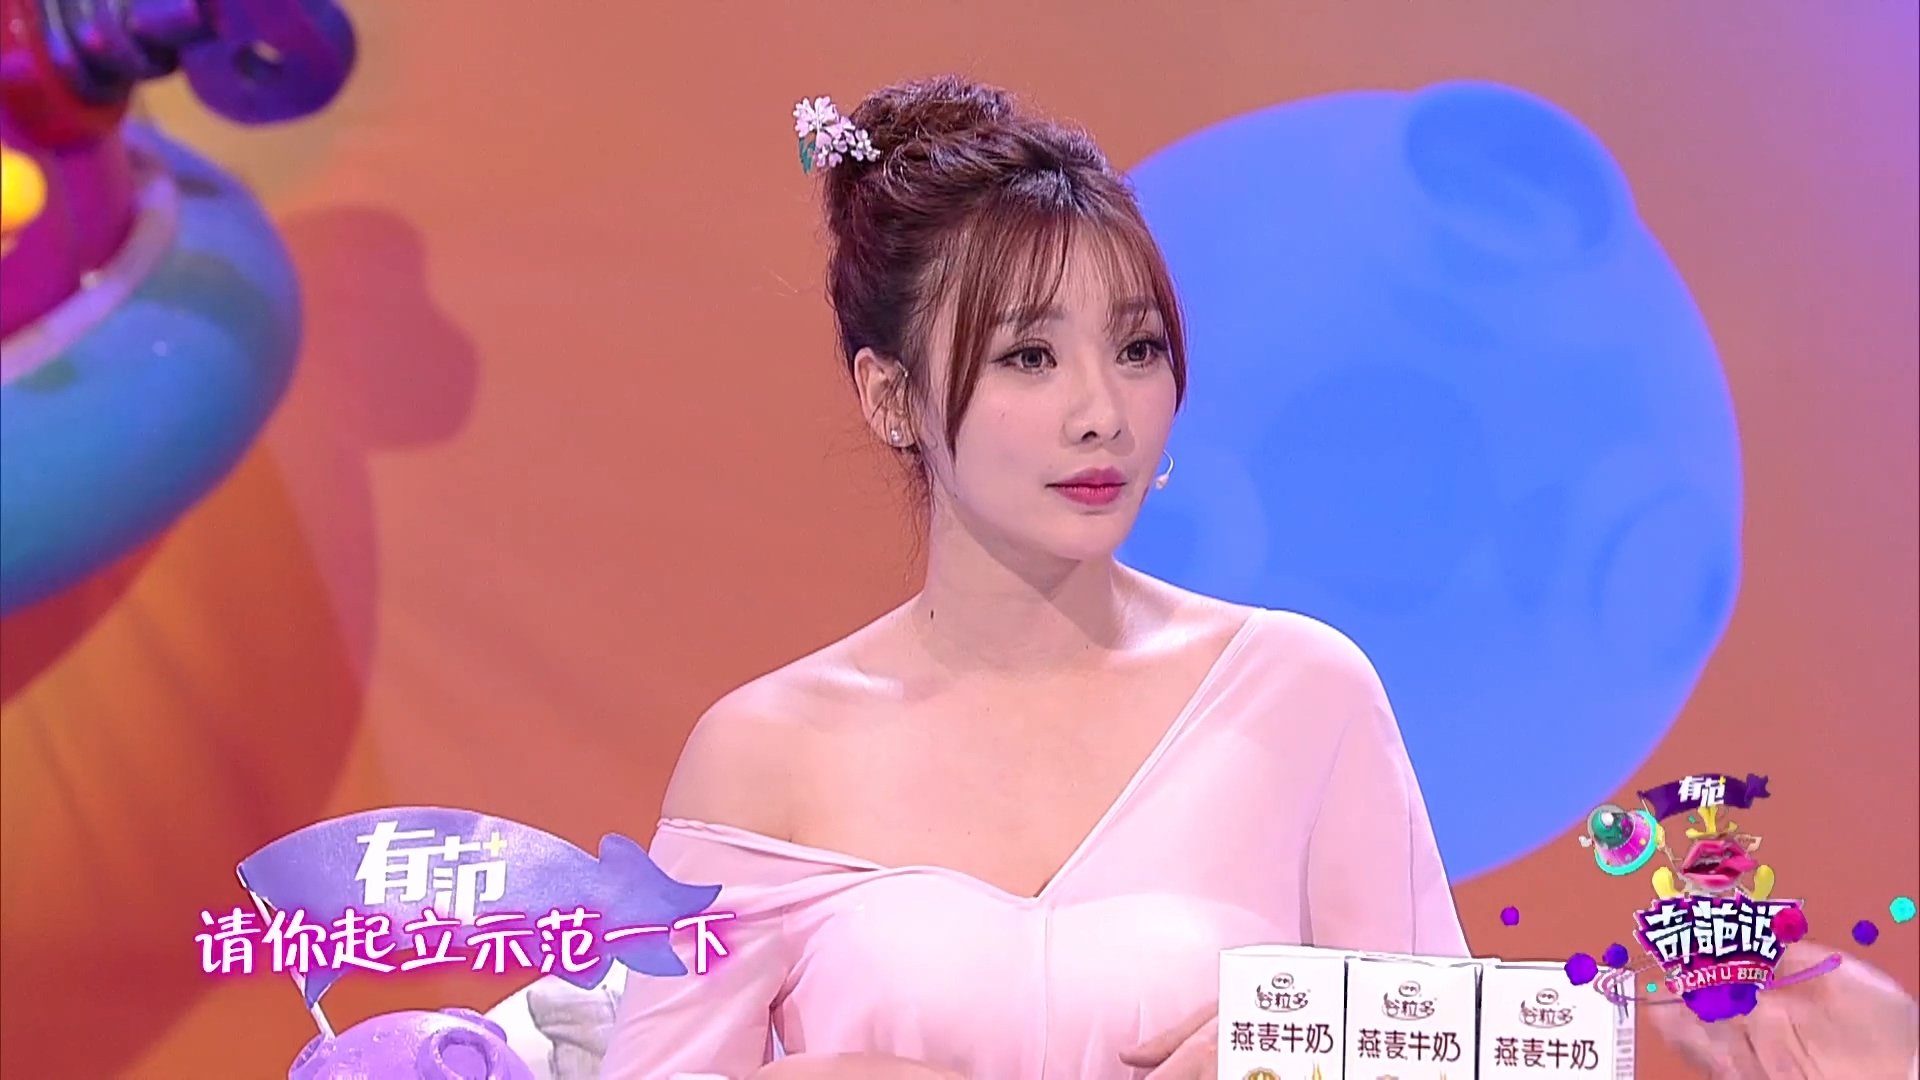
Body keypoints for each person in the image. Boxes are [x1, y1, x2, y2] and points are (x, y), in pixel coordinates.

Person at [599, 74, 1918, 1080]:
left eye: (1136, 349)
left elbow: (1463, 1046)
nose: (1101, 413)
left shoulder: (1297, 689)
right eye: (1028, 358)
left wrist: (1311, 1036)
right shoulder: (762, 759)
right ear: (891, 397)